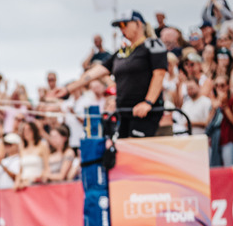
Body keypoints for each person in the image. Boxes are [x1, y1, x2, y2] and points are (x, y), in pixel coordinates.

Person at [58, 11, 166, 139]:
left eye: (124, 24)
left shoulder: (153, 45)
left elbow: (159, 74)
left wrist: (148, 102)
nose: (122, 29)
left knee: (135, 151)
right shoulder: (122, 52)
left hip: (144, 112)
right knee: (120, 151)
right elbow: (95, 72)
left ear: (138, 24)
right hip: (124, 111)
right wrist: (68, 89)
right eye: (119, 26)